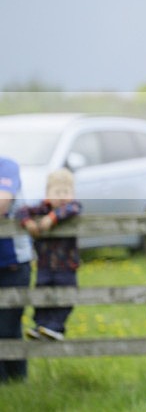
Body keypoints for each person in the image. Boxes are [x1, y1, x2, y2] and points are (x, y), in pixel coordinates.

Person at [15, 168, 82, 341]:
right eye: (57, 192)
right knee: (41, 295)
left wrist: (52, 218)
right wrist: (28, 222)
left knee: (66, 295)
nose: (61, 196)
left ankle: (56, 327)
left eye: (66, 192)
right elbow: (21, 211)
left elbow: (73, 208)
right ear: (47, 195)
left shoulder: (71, 208)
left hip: (66, 265)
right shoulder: (40, 209)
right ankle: (41, 326)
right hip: (45, 265)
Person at [0, 156, 32, 382]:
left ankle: (16, 383)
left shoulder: (7, 167)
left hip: (13, 264)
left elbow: (2, 203)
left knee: (8, 327)